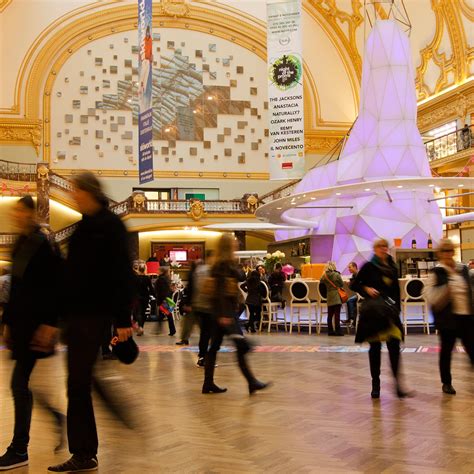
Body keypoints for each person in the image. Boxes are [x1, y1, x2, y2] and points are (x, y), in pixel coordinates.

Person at [48, 172, 134, 473]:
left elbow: (122, 273)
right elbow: (72, 276)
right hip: (78, 316)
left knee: (78, 383)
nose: (72, 195)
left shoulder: (110, 226)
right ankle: (88, 447)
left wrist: (124, 319)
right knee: (80, 382)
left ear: (88, 192)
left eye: (75, 190)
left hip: (93, 316)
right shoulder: (85, 226)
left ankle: (85, 453)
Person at [0, 196, 64, 471]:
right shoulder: (20, 244)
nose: (15, 216)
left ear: (30, 213)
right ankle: (56, 419)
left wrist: (50, 324)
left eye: (19, 212)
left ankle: (19, 449)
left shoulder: (42, 243)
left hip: (36, 326)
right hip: (22, 326)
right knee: (23, 385)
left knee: (19, 384)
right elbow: (16, 289)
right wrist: (8, 324)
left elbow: (55, 287)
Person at [202, 234, 269, 395]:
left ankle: (209, 383)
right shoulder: (223, 265)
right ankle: (251, 382)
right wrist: (225, 315)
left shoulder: (220, 264)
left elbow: (239, 277)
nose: (236, 246)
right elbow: (221, 292)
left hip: (219, 313)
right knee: (240, 345)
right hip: (225, 314)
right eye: (233, 245)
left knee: (215, 348)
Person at [352, 238, 411, 399]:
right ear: (375, 249)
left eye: (385, 246)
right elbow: (354, 284)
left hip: (390, 313)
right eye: (380, 246)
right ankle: (375, 385)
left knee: (394, 348)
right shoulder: (369, 266)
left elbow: (396, 290)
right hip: (374, 314)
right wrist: (366, 288)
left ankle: (398, 385)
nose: (383, 249)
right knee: (375, 349)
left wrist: (397, 309)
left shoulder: (392, 266)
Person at [424, 239, 474, 395]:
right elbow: (429, 295)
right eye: (444, 251)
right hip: (447, 319)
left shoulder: (463, 269)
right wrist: (446, 290)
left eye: (450, 250)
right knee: (446, 351)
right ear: (439, 253)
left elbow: (470, 291)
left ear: (453, 252)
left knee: (472, 349)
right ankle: (446, 383)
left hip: (466, 316)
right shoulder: (436, 272)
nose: (447, 254)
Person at [193, 250, 216, 367]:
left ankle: (202, 357)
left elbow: (194, 288)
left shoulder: (198, 270)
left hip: (200, 306)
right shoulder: (210, 271)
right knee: (211, 334)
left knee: (205, 334)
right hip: (209, 307)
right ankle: (206, 358)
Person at [176, 260, 200, 346]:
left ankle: (184, 339)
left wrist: (188, 304)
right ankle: (184, 339)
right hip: (199, 303)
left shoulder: (192, 275)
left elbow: (190, 290)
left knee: (188, 323)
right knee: (193, 323)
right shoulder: (197, 275)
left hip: (194, 303)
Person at [321, 262, 345, 336]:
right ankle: (338, 331)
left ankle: (330, 331)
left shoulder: (324, 276)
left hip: (329, 296)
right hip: (336, 296)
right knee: (337, 314)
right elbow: (342, 284)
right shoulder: (336, 274)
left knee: (330, 315)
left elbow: (321, 282)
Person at [155, 266, 176, 336]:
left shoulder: (161, 279)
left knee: (166, 315)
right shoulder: (167, 278)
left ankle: (171, 330)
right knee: (165, 315)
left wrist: (162, 300)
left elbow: (161, 291)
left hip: (163, 299)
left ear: (161, 271)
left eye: (159, 270)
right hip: (166, 299)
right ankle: (160, 329)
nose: (157, 271)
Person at [134, 263, 154, 336]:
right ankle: (141, 327)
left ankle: (140, 328)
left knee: (138, 313)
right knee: (143, 313)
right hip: (146, 297)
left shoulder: (135, 278)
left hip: (137, 297)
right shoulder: (147, 278)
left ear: (138, 269)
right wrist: (154, 296)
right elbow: (151, 288)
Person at [346, 262, 359, 327]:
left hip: (361, 296)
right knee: (350, 301)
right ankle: (351, 319)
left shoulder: (357, 275)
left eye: (350, 267)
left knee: (350, 301)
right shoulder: (355, 275)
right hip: (359, 294)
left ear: (354, 267)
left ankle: (351, 319)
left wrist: (349, 284)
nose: (349, 269)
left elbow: (354, 287)